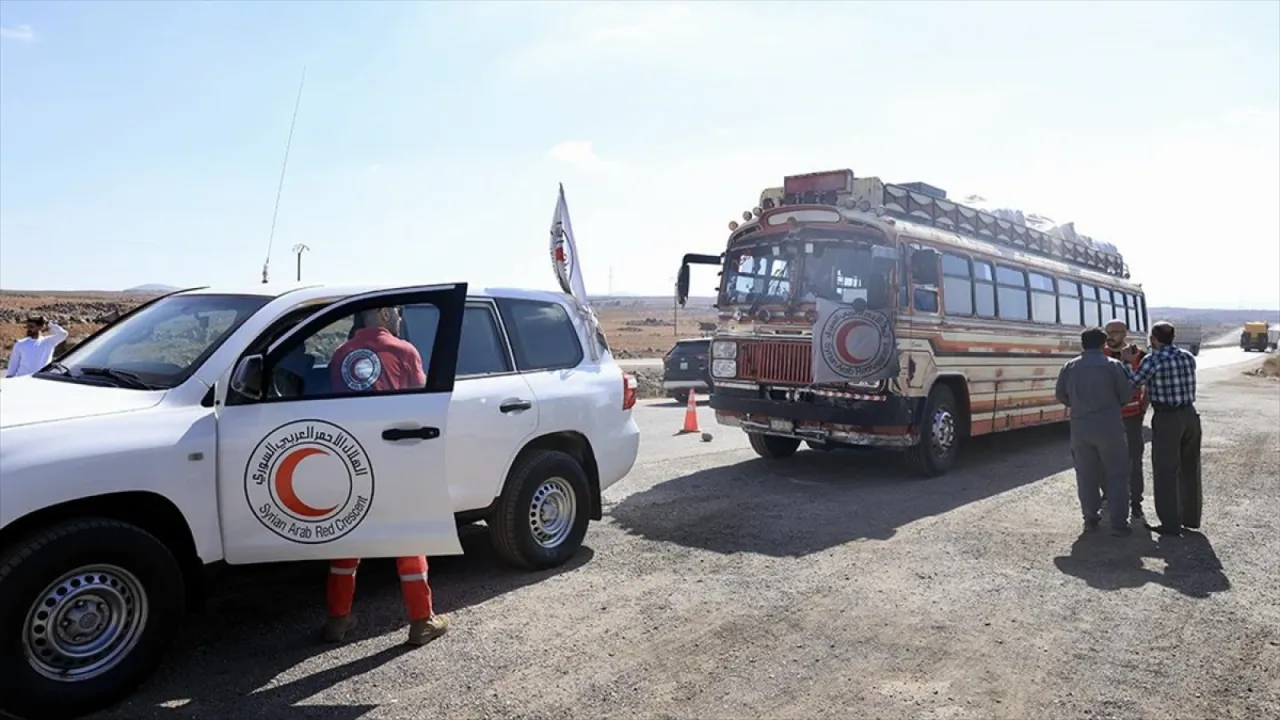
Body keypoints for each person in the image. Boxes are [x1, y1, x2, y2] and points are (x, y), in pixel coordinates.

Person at [321, 305, 450, 645]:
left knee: (347, 541)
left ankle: (338, 619)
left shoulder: (341, 355)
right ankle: (422, 621)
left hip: (351, 462)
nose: (398, 318)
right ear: (381, 314)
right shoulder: (404, 351)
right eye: (395, 311)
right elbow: (424, 406)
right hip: (395, 460)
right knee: (409, 541)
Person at [1122, 321, 1200, 537]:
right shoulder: (1187, 356)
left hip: (1168, 418)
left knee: (1165, 469)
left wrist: (1128, 362)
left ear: (1154, 339)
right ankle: (1190, 517)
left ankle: (1170, 522)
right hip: (1190, 415)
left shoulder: (1152, 360)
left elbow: (1132, 384)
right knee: (1188, 467)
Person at [1055, 327, 1136, 536]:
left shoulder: (1069, 367)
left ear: (1083, 344)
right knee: (1117, 474)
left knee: (1086, 474)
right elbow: (1126, 394)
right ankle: (1119, 522)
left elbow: (1061, 395)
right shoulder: (1113, 366)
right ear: (1103, 345)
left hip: (1081, 427)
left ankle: (1090, 517)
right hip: (1109, 426)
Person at [1102, 318, 1149, 524]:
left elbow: (1149, 384)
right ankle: (1108, 496)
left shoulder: (1139, 355)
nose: (1111, 336)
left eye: (1116, 332)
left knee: (1133, 462)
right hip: (1107, 419)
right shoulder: (1099, 355)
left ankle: (1136, 502)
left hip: (1131, 418)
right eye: (1109, 332)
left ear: (1125, 334)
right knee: (1104, 461)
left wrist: (1143, 408)